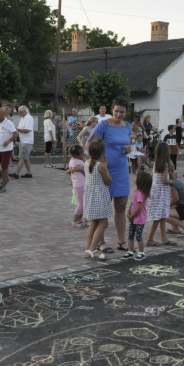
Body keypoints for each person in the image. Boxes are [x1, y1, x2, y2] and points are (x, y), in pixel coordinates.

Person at [88, 96, 134, 252]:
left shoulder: (127, 125)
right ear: (111, 109)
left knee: (121, 208)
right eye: (116, 111)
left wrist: (128, 148)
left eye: (122, 112)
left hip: (121, 171)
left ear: (126, 112)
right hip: (104, 171)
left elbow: (127, 143)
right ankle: (101, 242)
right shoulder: (103, 125)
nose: (119, 115)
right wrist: (98, 162)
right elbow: (90, 144)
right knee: (102, 208)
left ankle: (121, 241)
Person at [83, 139, 113, 260]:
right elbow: (108, 181)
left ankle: (88, 249)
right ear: (102, 152)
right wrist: (105, 165)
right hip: (99, 197)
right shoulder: (101, 166)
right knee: (103, 223)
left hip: (90, 196)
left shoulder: (86, 163)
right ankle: (92, 250)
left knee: (93, 223)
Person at [145, 142, 175, 246]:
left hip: (156, 191)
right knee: (158, 216)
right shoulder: (165, 165)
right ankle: (150, 239)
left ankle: (164, 238)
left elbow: (153, 176)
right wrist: (172, 181)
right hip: (162, 192)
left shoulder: (156, 163)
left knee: (161, 216)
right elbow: (164, 180)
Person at [0, 107, 17, 193]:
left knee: (4, 167)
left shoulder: (9, 123)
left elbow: (15, 134)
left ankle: (3, 186)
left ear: (4, 115)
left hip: (6, 149)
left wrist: (9, 141)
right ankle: (5, 178)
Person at [124, 171, 150, 261]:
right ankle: (130, 251)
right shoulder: (136, 191)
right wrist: (129, 211)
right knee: (130, 234)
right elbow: (133, 203)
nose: (134, 178)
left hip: (139, 218)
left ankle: (141, 252)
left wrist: (131, 216)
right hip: (134, 217)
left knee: (138, 236)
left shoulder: (140, 193)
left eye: (135, 177)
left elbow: (139, 208)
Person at [66, 144, 87, 228]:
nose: (83, 154)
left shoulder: (72, 160)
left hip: (76, 184)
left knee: (82, 203)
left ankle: (79, 220)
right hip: (81, 184)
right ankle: (75, 221)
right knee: (81, 203)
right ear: (76, 155)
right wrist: (83, 164)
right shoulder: (79, 162)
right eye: (82, 153)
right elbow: (86, 173)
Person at [11, 105, 34, 179]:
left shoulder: (29, 118)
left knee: (21, 157)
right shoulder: (22, 118)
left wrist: (17, 129)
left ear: (24, 111)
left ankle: (17, 173)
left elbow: (27, 130)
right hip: (22, 140)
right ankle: (29, 172)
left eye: (20, 112)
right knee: (25, 158)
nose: (19, 113)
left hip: (26, 141)